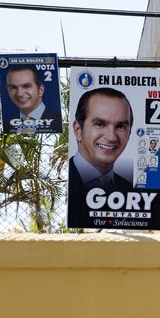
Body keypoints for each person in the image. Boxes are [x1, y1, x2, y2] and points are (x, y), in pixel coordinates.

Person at [68, 87, 133, 225]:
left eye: (121, 126)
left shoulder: (131, 189)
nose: (111, 137)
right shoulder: (61, 180)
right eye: (100, 124)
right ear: (78, 130)